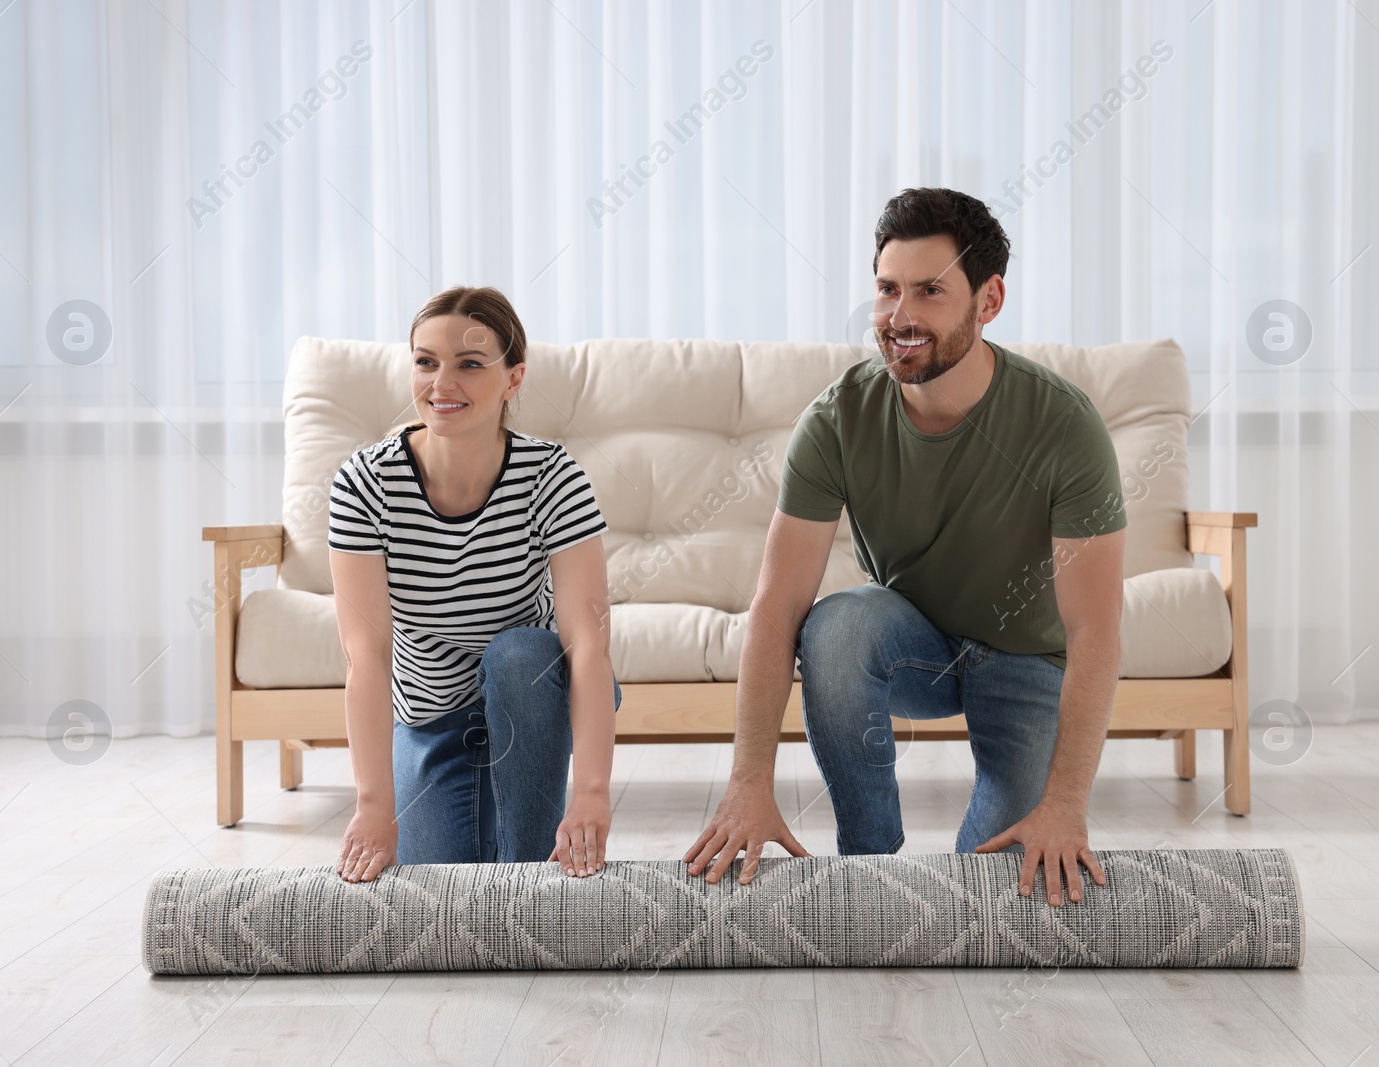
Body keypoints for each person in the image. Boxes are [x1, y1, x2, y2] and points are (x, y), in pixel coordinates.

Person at [684, 187, 1127, 907]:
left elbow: (1095, 628)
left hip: (1027, 662)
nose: (899, 316)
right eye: (887, 289)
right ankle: (869, 867)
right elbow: (775, 607)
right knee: (835, 625)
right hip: (915, 642)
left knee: (992, 888)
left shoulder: (1064, 424)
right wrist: (748, 784)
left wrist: (1067, 803)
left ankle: (960, 871)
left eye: (929, 291)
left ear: (989, 301)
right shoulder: (837, 419)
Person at [327, 285, 621, 883]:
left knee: (519, 653)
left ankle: (530, 881)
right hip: (432, 713)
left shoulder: (551, 475)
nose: (442, 383)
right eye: (426, 362)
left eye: (470, 364)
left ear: (513, 379)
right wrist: (374, 808)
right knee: (438, 886)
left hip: (533, 694)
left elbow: (587, 645)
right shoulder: (364, 483)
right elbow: (366, 657)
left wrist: (590, 794)